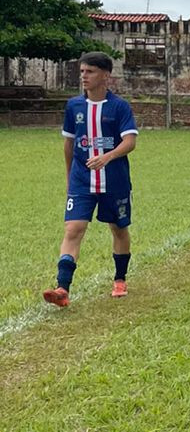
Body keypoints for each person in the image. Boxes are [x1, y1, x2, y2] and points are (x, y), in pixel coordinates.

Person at [44, 52, 139, 306]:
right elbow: (68, 145)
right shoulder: (74, 106)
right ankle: (62, 288)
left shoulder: (119, 107)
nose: (83, 76)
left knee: (118, 229)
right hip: (81, 181)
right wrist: (69, 179)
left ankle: (120, 278)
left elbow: (130, 142)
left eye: (90, 72)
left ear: (105, 75)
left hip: (114, 180)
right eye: (82, 71)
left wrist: (106, 157)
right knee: (73, 229)